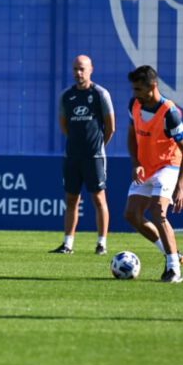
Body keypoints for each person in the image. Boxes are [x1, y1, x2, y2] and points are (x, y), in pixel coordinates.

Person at [124, 65, 183, 283]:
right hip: (146, 166)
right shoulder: (134, 104)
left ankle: (174, 270)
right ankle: (173, 253)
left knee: (158, 211)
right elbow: (131, 137)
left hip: (168, 165)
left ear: (152, 87)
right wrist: (136, 163)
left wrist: (181, 187)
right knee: (131, 215)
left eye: (138, 89)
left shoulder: (169, 113)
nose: (135, 94)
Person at [51, 55, 115, 255]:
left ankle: (101, 244)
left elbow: (110, 127)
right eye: (75, 69)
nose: (78, 73)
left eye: (82, 69)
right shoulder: (66, 96)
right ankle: (68, 244)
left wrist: (97, 147)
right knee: (71, 199)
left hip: (94, 157)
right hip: (72, 156)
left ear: (91, 70)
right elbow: (64, 125)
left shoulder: (100, 94)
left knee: (98, 199)